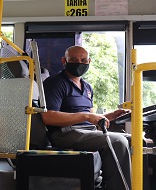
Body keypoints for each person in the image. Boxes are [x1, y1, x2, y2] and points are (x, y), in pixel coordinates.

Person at [41, 45, 132, 190]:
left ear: (89, 61)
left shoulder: (87, 87)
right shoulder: (55, 83)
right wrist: (87, 116)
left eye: (83, 60)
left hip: (87, 131)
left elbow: (90, 117)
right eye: (74, 59)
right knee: (118, 142)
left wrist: (112, 115)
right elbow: (48, 117)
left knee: (132, 140)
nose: (79, 63)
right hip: (65, 133)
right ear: (64, 60)